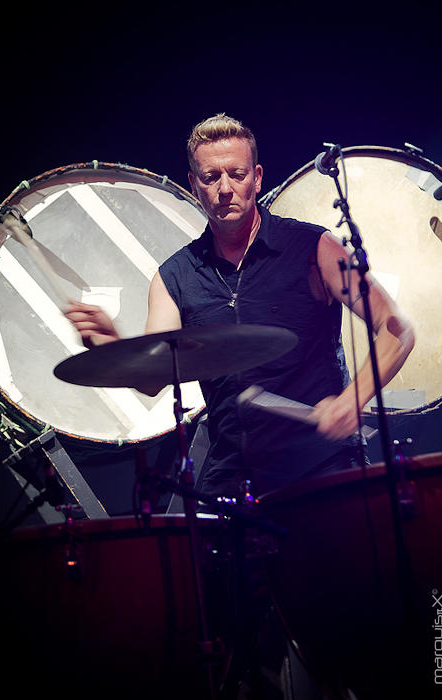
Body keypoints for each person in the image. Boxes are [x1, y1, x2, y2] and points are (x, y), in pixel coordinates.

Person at [64, 113, 415, 502]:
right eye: (211, 177)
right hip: (234, 475)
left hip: (321, 463)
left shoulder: (314, 248)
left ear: (258, 177)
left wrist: (352, 401)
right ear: (194, 185)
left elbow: (397, 328)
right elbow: (152, 380)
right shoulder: (174, 277)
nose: (225, 188)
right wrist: (111, 344)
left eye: (237, 174)